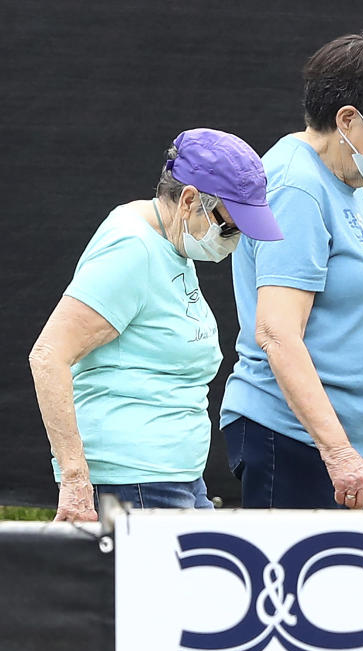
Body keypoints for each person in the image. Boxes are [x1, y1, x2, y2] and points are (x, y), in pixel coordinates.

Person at [30, 128, 283, 520]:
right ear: (188, 200)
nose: (234, 241)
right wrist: (75, 478)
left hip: (171, 477)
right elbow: (48, 356)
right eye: (230, 226)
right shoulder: (132, 248)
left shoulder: (170, 242)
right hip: (134, 481)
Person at [220, 34, 363, 510]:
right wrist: (338, 453)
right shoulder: (297, 187)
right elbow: (276, 332)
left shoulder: (342, 180)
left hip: (355, 460)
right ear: (348, 119)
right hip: (302, 448)